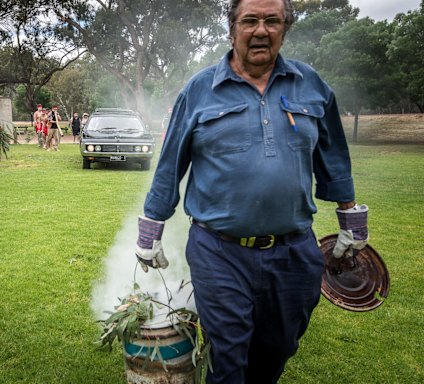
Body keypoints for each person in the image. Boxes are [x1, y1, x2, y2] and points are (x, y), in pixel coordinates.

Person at [134, 0, 369, 383]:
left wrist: (351, 220)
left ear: (284, 27)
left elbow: (334, 157)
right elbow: (170, 163)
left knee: (277, 350)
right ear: (232, 28)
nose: (261, 30)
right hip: (218, 251)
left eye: (272, 20)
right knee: (228, 358)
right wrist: (151, 229)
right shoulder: (199, 90)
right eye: (250, 20)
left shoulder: (311, 85)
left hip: (294, 252)